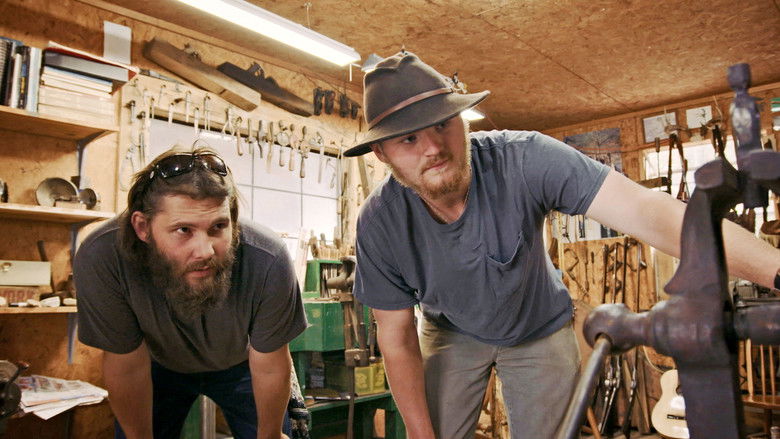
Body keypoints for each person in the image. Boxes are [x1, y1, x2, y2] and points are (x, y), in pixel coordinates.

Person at [344, 51, 780, 438]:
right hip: (451, 332)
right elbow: (396, 339)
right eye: (409, 139)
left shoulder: (524, 158)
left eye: (443, 124)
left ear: (463, 119)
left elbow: (649, 211)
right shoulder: (380, 223)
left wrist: (775, 271)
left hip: (539, 327)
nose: (434, 148)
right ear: (382, 153)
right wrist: (421, 434)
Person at [74, 146, 308, 439]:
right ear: (143, 227)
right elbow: (127, 365)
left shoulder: (268, 258)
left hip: (244, 364)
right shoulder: (103, 256)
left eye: (218, 227)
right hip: (155, 365)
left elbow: (270, 365)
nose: (205, 251)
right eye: (184, 230)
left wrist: (271, 435)